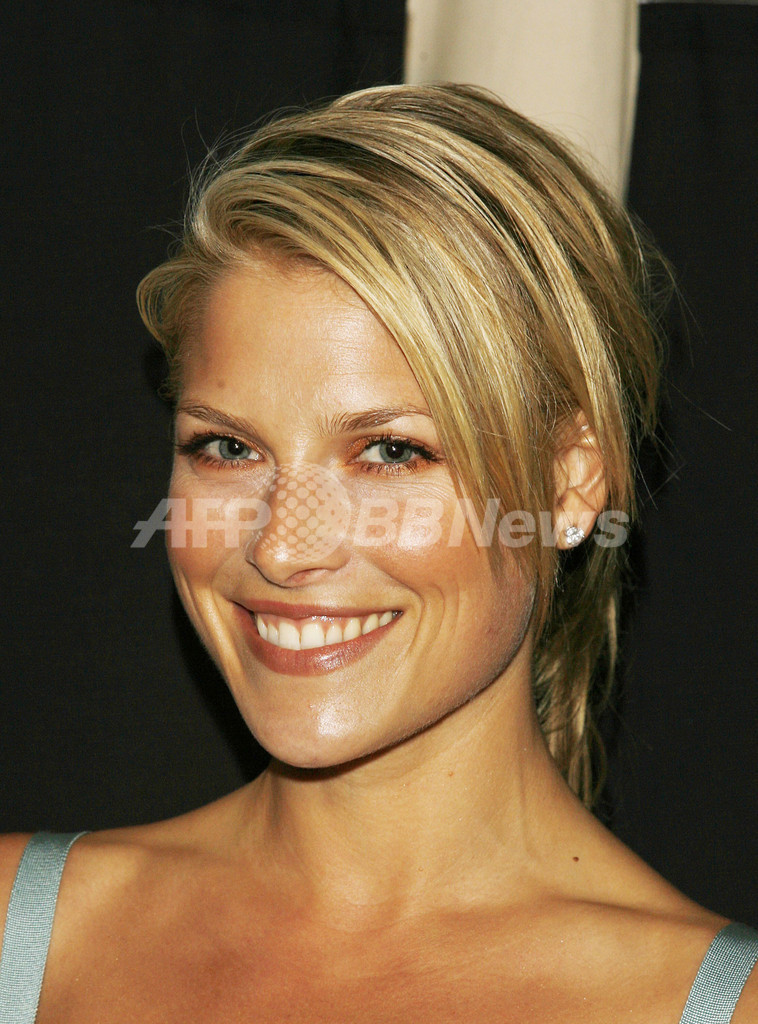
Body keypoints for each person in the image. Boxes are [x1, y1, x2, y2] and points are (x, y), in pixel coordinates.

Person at [1, 84, 756, 1023]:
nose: (283, 548)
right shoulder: (24, 936)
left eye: (391, 453)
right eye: (228, 448)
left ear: (569, 485)